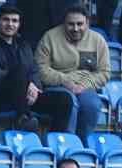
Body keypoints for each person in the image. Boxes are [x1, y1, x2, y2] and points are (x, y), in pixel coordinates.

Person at [0, 5, 74, 131]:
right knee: (19, 71)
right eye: (6, 20)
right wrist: (25, 83)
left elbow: (34, 70)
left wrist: (35, 87)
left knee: (64, 100)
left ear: (19, 24)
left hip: (25, 96)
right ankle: (24, 119)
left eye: (14, 21)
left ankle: (54, 141)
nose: (10, 24)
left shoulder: (23, 45)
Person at [35, 7, 108, 140]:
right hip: (57, 86)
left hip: (85, 87)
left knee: (92, 104)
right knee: (70, 102)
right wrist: (65, 81)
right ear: (64, 23)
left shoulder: (98, 40)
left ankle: (82, 144)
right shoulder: (49, 37)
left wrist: (84, 85)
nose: (75, 28)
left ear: (87, 23)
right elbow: (40, 69)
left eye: (80, 24)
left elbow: (104, 73)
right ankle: (67, 143)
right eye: (71, 24)